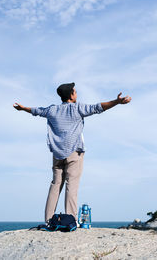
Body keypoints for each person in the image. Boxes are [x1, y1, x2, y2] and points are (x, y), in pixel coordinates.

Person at [13, 83, 131, 223]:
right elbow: (99, 107)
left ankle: (49, 219)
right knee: (72, 185)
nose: (76, 93)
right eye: (75, 91)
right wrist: (117, 101)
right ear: (71, 95)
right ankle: (70, 220)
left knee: (55, 185)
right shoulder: (77, 108)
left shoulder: (52, 110)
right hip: (74, 153)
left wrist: (22, 108)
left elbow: (36, 110)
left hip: (57, 154)